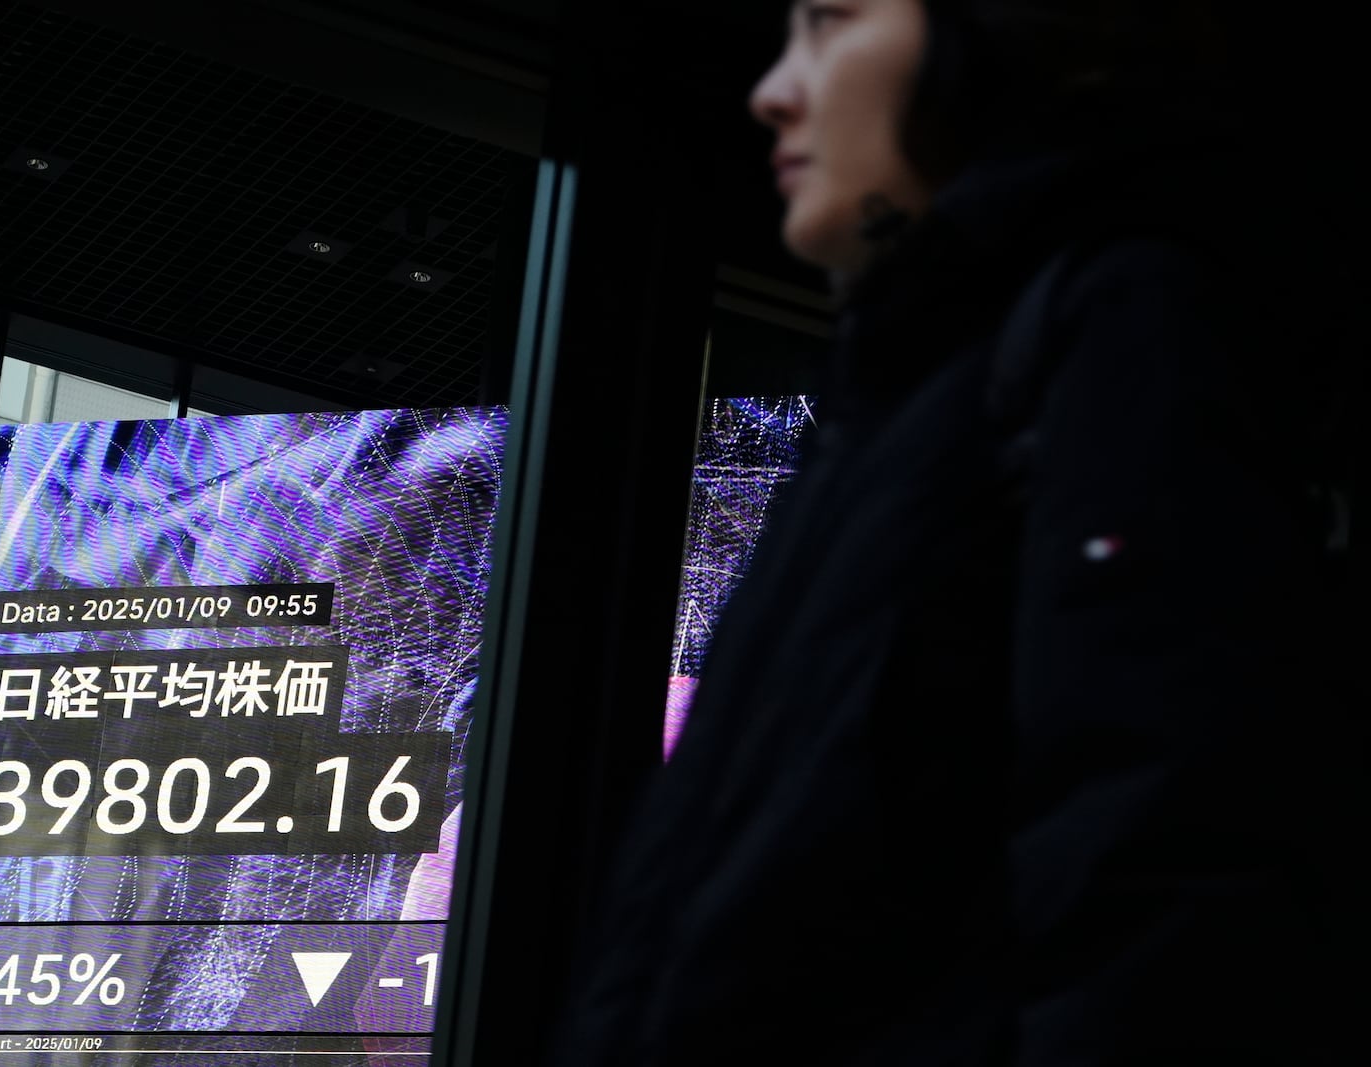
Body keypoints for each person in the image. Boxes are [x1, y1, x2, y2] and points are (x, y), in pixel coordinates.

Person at [541, 1, 1363, 1064]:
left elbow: (1164, 860)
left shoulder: (1116, 331)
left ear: (998, 36)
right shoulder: (898, 389)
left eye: (831, 23)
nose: (774, 89)